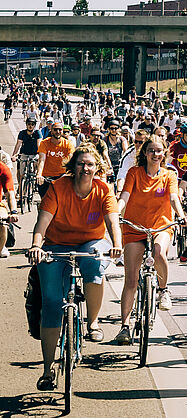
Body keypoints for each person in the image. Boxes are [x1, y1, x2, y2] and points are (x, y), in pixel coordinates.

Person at [27, 145, 122, 391]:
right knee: (50, 303)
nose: (85, 168)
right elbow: (42, 222)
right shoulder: (58, 187)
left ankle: (92, 323)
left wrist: (117, 244)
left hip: (91, 240)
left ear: (97, 168)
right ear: (72, 167)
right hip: (56, 244)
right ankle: (48, 370)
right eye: (80, 164)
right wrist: (37, 245)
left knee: (94, 265)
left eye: (90, 164)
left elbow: (113, 221)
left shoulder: (103, 189)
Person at [115, 136, 187, 344]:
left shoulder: (169, 175)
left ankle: (163, 290)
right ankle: (125, 326)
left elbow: (174, 198)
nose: (155, 154)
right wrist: (116, 212)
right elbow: (125, 196)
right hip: (133, 227)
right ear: (145, 153)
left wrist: (181, 216)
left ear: (164, 153)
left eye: (159, 151)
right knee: (130, 280)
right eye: (151, 150)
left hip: (160, 226)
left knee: (158, 252)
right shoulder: (134, 173)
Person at [36, 122, 75, 198]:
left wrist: (71, 173)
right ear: (51, 131)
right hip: (46, 176)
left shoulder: (68, 144)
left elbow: (71, 160)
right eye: (55, 129)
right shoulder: (44, 143)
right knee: (44, 200)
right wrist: (39, 174)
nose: (58, 132)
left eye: (60, 130)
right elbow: (42, 160)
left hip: (62, 176)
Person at [11, 117, 42, 193]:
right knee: (21, 173)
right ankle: (20, 188)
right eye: (29, 124)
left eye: (32, 124)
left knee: (37, 164)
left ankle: (35, 181)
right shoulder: (22, 133)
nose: (30, 126)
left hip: (34, 154)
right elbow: (18, 144)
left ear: (34, 126)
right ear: (26, 125)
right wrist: (14, 155)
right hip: (24, 154)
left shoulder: (37, 133)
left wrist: (41, 156)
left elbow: (39, 145)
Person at [116, 129, 149, 197]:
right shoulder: (129, 154)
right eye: (135, 142)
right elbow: (122, 174)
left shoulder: (152, 153)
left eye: (140, 142)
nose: (137, 144)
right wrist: (119, 191)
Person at [0, 160, 18, 257]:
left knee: (3, 222)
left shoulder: (2, 168)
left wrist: (13, 212)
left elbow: (10, 193)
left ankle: (1, 247)